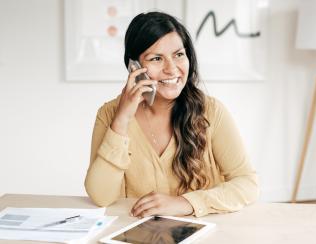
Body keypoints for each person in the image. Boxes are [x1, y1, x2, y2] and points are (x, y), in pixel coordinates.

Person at [84, 11, 259, 218]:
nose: (172, 68)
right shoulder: (110, 114)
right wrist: (122, 120)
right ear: (134, 67)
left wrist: (185, 203)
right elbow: (100, 196)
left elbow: (247, 184)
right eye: (156, 58)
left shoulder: (211, 111)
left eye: (178, 55)